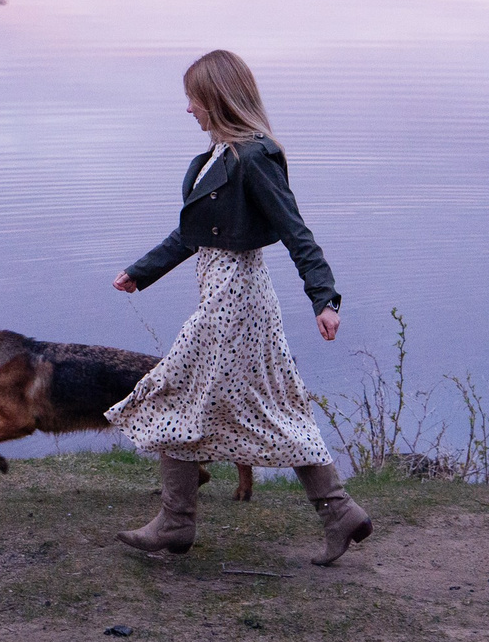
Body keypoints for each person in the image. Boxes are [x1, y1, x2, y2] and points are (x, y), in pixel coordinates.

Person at [107, 49, 372, 565]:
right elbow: (193, 235)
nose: (188, 109)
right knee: (268, 402)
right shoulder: (216, 157)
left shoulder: (254, 157)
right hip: (224, 291)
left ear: (217, 98)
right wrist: (143, 271)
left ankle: (176, 523)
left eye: (193, 98)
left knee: (178, 394)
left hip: (236, 296)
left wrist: (324, 298)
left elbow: (297, 231)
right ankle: (339, 512)